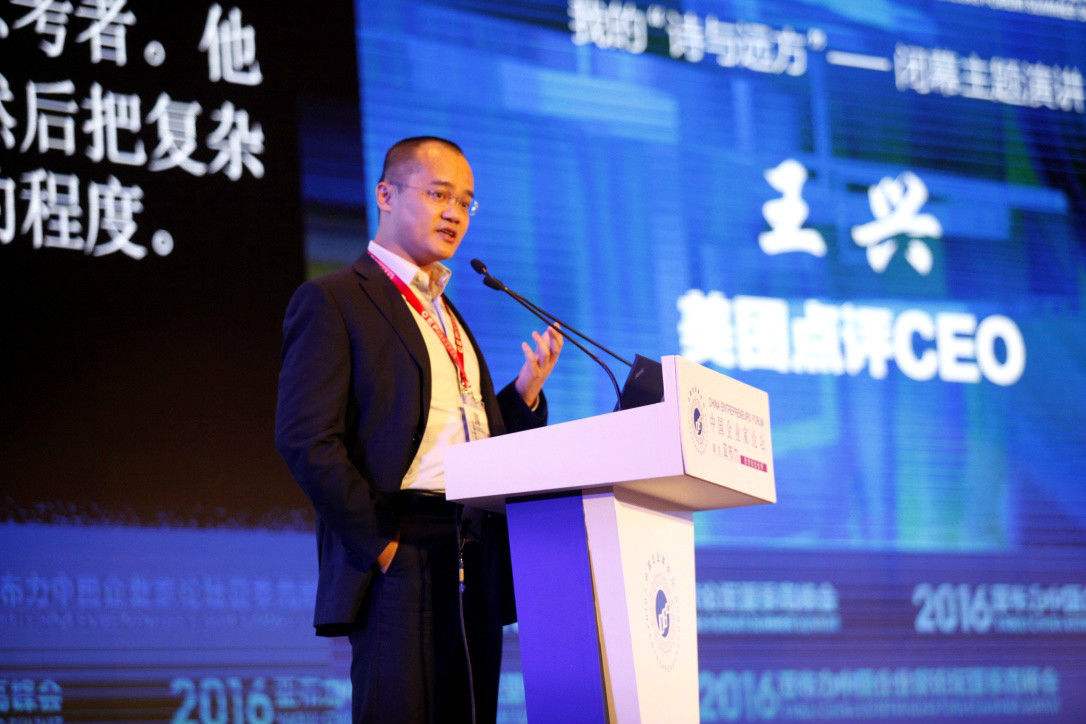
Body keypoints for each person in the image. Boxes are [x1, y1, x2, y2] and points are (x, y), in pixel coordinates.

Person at [274, 136, 563, 723]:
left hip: (472, 548)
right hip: (401, 547)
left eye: (465, 202)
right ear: (386, 195)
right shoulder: (334, 299)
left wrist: (523, 396)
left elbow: (467, 440)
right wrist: (381, 545)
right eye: (438, 195)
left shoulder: (448, 315)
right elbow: (306, 438)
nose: (454, 213)